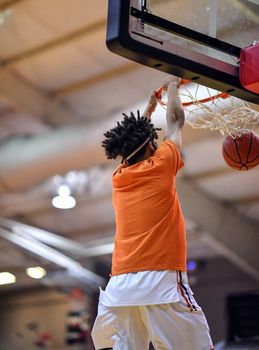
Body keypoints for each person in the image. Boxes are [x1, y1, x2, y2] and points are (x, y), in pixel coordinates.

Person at [91, 75, 214, 350]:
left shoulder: (119, 177)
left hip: (120, 287)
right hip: (161, 281)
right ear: (149, 145)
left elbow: (137, 143)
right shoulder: (161, 165)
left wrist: (148, 110)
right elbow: (176, 120)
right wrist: (172, 86)